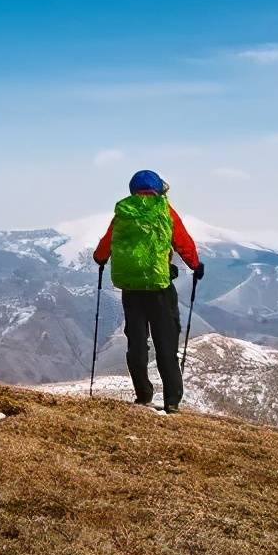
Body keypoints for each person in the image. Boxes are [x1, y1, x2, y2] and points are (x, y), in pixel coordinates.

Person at [92, 170, 204, 413]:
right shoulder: (165, 210)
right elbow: (184, 242)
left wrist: (100, 259)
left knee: (137, 344)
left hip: (131, 290)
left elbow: (103, 249)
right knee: (166, 344)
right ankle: (172, 402)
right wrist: (196, 266)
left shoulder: (123, 212)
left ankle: (143, 395)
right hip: (160, 290)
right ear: (158, 188)